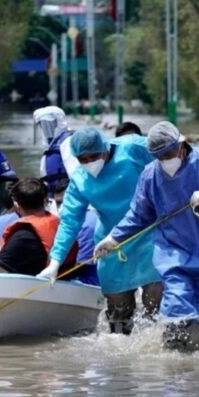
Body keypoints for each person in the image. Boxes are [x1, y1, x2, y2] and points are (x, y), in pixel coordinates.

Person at [97, 121, 199, 352]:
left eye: (168, 154)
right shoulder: (151, 175)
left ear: (181, 145)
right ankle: (175, 358)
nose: (165, 161)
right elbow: (139, 214)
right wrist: (114, 238)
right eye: (159, 157)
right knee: (176, 301)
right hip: (173, 252)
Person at [37, 127, 163, 335]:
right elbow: (69, 222)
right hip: (110, 245)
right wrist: (55, 262)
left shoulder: (132, 148)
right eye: (82, 159)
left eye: (93, 157)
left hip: (150, 235)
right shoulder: (79, 181)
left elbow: (172, 153)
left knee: (156, 307)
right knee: (118, 317)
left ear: (105, 148)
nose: (89, 163)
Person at [0, 178, 77, 276]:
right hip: (66, 280)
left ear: (16, 206)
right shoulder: (62, 225)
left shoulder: (23, 237)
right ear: (45, 201)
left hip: (39, 290)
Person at [53, 178, 100, 286]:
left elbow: (78, 266)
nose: (61, 207)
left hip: (91, 283)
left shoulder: (87, 225)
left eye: (66, 201)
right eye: (58, 203)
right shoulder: (69, 223)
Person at [34, 106, 77, 196]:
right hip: (52, 198)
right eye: (43, 124)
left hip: (67, 196)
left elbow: (75, 173)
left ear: (59, 122)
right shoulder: (49, 147)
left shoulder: (67, 142)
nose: (47, 127)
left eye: (50, 123)